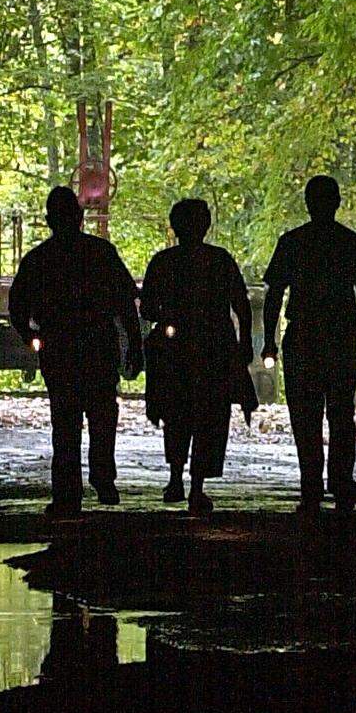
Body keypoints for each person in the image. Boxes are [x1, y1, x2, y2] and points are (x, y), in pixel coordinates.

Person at [8, 185, 142, 518]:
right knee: (102, 417)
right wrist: (135, 346)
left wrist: (30, 335)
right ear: (80, 217)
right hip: (98, 346)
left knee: (65, 422)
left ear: (48, 219)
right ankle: (103, 478)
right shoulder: (101, 253)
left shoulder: (38, 259)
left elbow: (17, 306)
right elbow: (126, 303)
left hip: (60, 349)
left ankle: (67, 492)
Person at [261, 175, 356, 515]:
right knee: (341, 412)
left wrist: (269, 342)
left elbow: (274, 294)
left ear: (307, 203)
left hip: (302, 337)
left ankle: (311, 486)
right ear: (338, 202)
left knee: (306, 415)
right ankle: (341, 482)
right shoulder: (352, 243)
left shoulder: (292, 242)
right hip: (341, 335)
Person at [140, 199, 255, 516]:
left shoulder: (163, 262)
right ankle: (196, 486)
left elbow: (146, 308)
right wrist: (243, 343)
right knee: (209, 417)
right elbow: (241, 306)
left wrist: (168, 318)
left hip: (178, 350)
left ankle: (178, 478)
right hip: (213, 349)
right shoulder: (220, 261)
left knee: (177, 414)